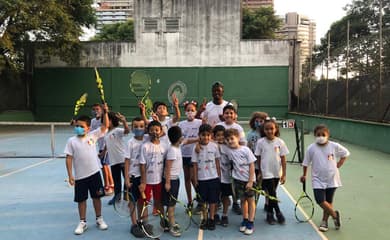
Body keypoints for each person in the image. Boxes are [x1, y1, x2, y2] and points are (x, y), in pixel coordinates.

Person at [64, 103, 109, 235]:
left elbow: (105, 126)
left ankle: (99, 218)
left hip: (94, 174)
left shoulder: (93, 136)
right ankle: (82, 222)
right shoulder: (71, 141)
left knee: (97, 198)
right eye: (76, 126)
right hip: (80, 177)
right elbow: (68, 158)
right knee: (81, 200)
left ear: (88, 128)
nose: (78, 128)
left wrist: (105, 112)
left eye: (81, 127)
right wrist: (70, 175)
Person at [300, 124, 350, 232]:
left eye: (323, 134)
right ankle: (334, 215)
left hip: (332, 178)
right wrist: (304, 175)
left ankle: (324, 221)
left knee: (328, 201)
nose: (321, 136)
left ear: (328, 135)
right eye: (318, 135)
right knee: (320, 200)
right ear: (315, 135)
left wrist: (339, 164)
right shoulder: (311, 148)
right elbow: (305, 163)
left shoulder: (334, 146)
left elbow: (345, 153)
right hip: (317, 179)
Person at [255, 118, 289, 225]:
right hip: (266, 173)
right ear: (263, 130)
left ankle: (269, 214)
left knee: (271, 194)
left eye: (271, 129)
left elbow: (283, 159)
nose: (269, 131)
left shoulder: (280, 142)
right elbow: (259, 158)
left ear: (275, 129)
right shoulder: (260, 142)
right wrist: (260, 172)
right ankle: (278, 213)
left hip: (276, 172)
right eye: (267, 129)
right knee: (272, 193)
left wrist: (283, 174)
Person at [223, 129, 257, 235]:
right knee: (242, 200)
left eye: (232, 138)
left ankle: (251, 222)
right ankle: (245, 219)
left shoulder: (245, 150)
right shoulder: (228, 151)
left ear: (238, 138)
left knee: (250, 201)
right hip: (238, 181)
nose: (230, 141)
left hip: (249, 180)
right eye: (227, 140)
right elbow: (217, 143)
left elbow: (252, 165)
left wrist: (250, 181)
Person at [139, 121, 168, 230]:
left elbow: (167, 163)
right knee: (144, 203)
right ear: (148, 132)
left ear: (161, 131)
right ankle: (145, 223)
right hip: (148, 182)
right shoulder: (145, 146)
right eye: (151, 130)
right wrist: (143, 182)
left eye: (156, 130)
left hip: (159, 181)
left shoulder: (164, 146)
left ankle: (163, 220)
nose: (154, 132)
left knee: (159, 201)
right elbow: (142, 165)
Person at [192, 124, 221, 231]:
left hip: (213, 178)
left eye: (208, 135)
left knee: (213, 200)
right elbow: (194, 164)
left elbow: (217, 161)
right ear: (199, 135)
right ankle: (205, 218)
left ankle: (212, 218)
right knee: (203, 201)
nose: (206, 137)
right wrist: (195, 179)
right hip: (201, 179)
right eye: (203, 135)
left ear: (211, 135)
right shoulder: (196, 149)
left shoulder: (214, 146)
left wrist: (219, 176)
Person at [124, 117, 147, 238]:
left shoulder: (147, 139)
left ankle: (140, 221)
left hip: (143, 177)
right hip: (133, 176)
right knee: (132, 201)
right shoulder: (130, 143)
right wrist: (127, 179)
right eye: (136, 126)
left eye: (141, 126)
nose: (139, 128)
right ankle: (133, 224)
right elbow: (127, 161)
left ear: (145, 128)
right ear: (132, 128)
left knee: (141, 201)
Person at [178, 100, 202, 206]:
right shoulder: (181, 124)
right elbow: (181, 140)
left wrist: (191, 141)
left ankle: (199, 196)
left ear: (196, 111)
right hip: (184, 155)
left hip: (195, 155)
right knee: (187, 178)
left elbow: (202, 137)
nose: (190, 112)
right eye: (188, 110)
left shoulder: (200, 122)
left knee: (194, 178)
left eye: (192, 110)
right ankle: (189, 201)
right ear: (185, 112)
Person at [162, 126, 183, 237]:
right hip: (171, 181)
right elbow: (168, 167)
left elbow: (187, 141)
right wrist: (168, 182)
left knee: (171, 203)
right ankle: (171, 225)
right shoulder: (172, 151)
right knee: (171, 205)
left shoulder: (177, 147)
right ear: (179, 138)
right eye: (182, 135)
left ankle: (167, 222)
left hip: (175, 180)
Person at [105, 112, 130, 205]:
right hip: (113, 161)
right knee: (116, 180)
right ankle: (117, 196)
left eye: (107, 120)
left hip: (122, 159)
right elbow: (107, 145)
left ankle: (128, 196)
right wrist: (103, 153)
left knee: (127, 178)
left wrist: (124, 121)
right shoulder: (106, 134)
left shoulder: (117, 130)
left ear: (111, 121)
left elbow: (127, 131)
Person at [246, 111, 269, 209]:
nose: (259, 123)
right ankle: (254, 203)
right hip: (254, 164)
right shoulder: (250, 134)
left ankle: (267, 204)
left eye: (261, 121)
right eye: (257, 121)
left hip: (265, 164)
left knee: (267, 186)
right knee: (256, 186)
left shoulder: (267, 133)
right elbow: (248, 147)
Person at [91, 103, 114, 195]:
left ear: (101, 110)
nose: (96, 111)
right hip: (100, 146)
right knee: (105, 166)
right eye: (94, 109)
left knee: (104, 166)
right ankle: (111, 185)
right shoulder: (93, 121)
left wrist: (105, 111)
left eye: (97, 109)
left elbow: (106, 124)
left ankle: (107, 186)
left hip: (107, 146)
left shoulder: (104, 118)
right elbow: (91, 132)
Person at [213, 125, 231, 227]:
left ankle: (224, 215)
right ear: (214, 137)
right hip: (215, 177)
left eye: (222, 135)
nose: (220, 137)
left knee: (225, 197)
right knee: (215, 197)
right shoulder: (212, 145)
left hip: (226, 177)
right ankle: (215, 215)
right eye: (218, 135)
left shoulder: (229, 146)